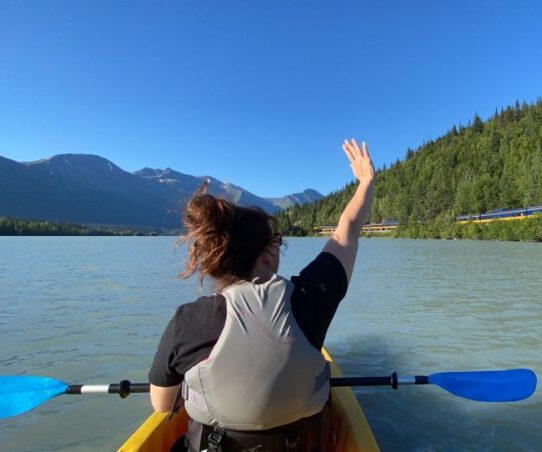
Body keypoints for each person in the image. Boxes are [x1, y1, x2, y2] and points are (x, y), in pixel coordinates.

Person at [148, 139, 375, 451]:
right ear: (267, 254)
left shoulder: (187, 320)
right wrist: (366, 182)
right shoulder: (311, 297)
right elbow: (346, 230)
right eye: (277, 242)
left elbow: (162, 404)